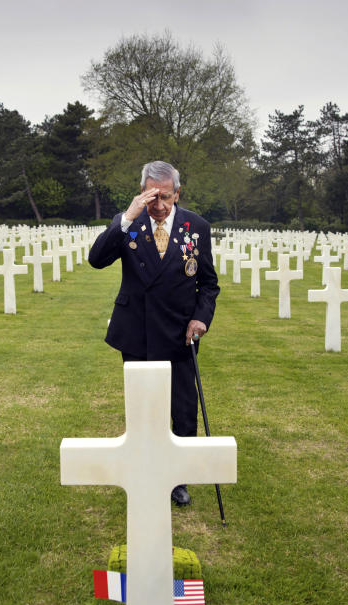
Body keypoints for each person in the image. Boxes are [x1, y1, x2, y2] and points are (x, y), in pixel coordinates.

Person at [88, 161, 220, 506]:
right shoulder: (131, 224)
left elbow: (208, 284)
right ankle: (142, 472)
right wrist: (127, 217)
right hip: (137, 331)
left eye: (165, 196)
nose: (158, 204)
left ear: (177, 193)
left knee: (183, 407)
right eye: (151, 196)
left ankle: (178, 478)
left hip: (179, 333)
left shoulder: (197, 227)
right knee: (144, 408)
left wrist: (201, 319)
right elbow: (96, 259)